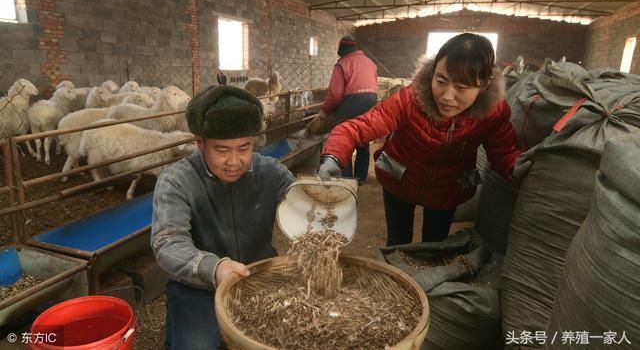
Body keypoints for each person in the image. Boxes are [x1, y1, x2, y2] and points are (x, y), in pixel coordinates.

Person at [318, 33, 524, 246]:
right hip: (399, 179)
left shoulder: (493, 112)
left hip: (447, 188)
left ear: (484, 85)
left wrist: (514, 166)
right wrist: (333, 156)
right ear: (433, 72)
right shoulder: (409, 99)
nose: (447, 96)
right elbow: (356, 128)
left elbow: (504, 149)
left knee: (433, 247)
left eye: (461, 87)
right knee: (398, 243)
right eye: (441, 80)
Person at [151, 85, 295, 349]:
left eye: (244, 148)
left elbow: (301, 202)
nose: (234, 161)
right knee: (197, 346)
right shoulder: (177, 181)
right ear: (199, 143)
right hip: (199, 286)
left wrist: (318, 200)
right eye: (221, 149)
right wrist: (214, 268)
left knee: (291, 334)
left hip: (259, 277)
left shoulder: (271, 172)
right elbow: (167, 244)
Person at [319, 35, 378, 185]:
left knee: (345, 139)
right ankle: (360, 178)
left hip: (351, 103)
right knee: (363, 139)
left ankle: (346, 179)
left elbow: (335, 94)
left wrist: (325, 110)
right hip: (371, 101)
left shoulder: (342, 64)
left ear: (342, 51)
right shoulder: (370, 63)